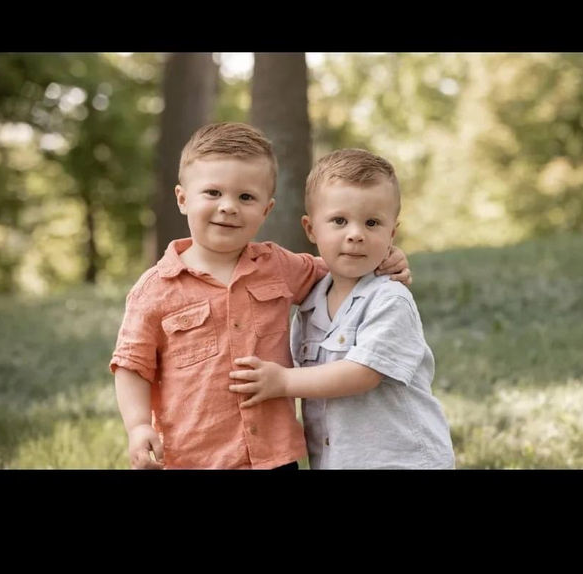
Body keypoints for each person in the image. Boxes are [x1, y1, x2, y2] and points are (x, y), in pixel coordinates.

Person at [109, 124, 412, 469]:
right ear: (182, 199)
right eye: (213, 193)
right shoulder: (155, 290)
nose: (228, 207)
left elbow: (340, 266)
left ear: (266, 210)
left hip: (273, 456)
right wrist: (138, 426)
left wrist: (388, 257)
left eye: (246, 197)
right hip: (194, 457)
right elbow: (132, 365)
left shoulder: (279, 266)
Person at [229, 148, 454, 469]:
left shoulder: (390, 299)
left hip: (400, 460)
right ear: (311, 229)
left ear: (392, 233)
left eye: (372, 223)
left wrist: (283, 382)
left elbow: (363, 373)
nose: (356, 235)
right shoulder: (311, 301)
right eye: (339, 221)